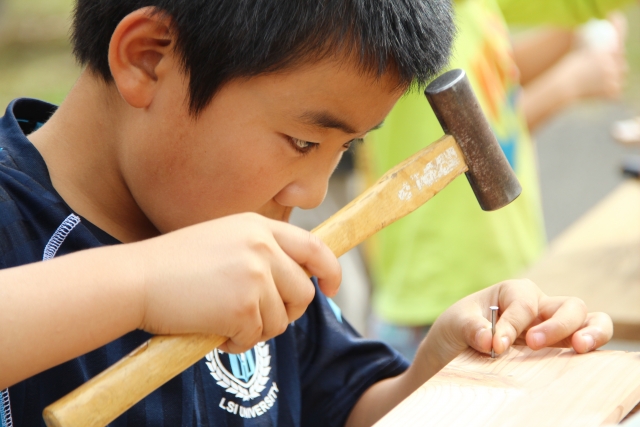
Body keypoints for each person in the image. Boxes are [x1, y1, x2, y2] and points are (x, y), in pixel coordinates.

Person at [0, 1, 612, 426]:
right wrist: (141, 285)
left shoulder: (255, 247)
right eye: (302, 141)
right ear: (148, 58)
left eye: (347, 148)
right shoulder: (14, 220)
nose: (316, 194)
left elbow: (343, 408)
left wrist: (437, 369)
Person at [364, 0, 631, 360]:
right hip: (438, 301)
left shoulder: (474, 6)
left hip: (506, 282)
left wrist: (568, 38)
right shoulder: (401, 20)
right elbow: (478, 144)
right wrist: (568, 84)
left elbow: (492, 76)